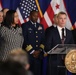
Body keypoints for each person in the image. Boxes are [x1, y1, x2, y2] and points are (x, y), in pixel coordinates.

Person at [22, 10, 45, 75]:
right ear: (30, 16)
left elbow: (43, 39)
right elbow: (24, 40)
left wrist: (39, 50)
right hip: (29, 55)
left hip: (38, 55)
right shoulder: (25, 26)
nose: (36, 17)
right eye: (34, 16)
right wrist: (32, 51)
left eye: (37, 16)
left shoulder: (41, 26)